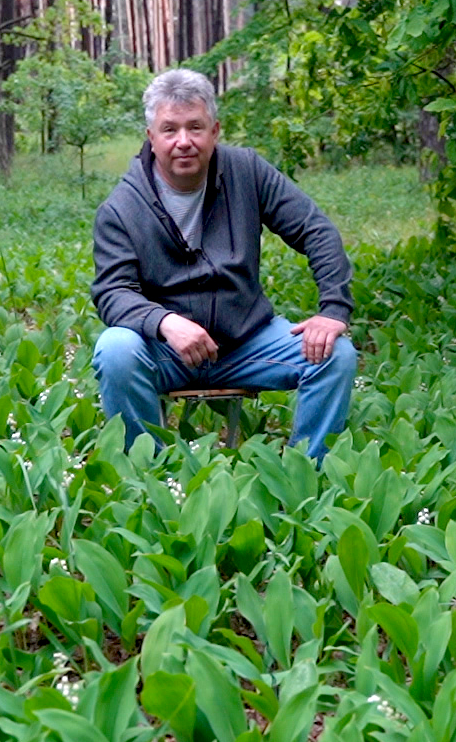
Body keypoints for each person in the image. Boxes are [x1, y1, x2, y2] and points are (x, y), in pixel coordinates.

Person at [91, 68, 357, 460]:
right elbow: (112, 293)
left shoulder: (247, 171)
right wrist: (165, 323)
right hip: (166, 352)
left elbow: (314, 229)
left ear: (214, 131)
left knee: (337, 356)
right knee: (115, 348)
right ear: (151, 137)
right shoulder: (121, 207)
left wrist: (333, 309)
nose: (184, 142)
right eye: (169, 130)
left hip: (247, 342)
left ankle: (307, 477)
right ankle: (146, 476)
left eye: (195, 128)